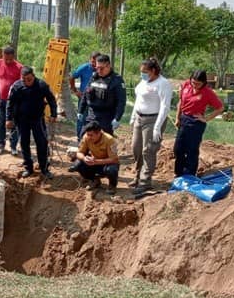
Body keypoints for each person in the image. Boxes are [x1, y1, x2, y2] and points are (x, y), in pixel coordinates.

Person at [129, 58, 172, 194]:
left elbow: (165, 107)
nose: (142, 74)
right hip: (139, 117)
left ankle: (145, 181)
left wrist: (157, 127)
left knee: (148, 150)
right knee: (136, 148)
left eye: (145, 72)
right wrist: (133, 115)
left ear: (153, 71)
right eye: (141, 72)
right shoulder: (144, 81)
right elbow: (138, 99)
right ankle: (138, 175)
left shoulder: (163, 84)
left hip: (153, 119)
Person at [6, 66, 57, 179]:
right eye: (24, 80)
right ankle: (28, 168)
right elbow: (10, 103)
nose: (27, 82)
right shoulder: (16, 86)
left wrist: (54, 114)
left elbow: (51, 99)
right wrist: (8, 119)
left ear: (33, 76)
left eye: (29, 79)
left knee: (42, 143)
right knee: (24, 143)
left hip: (37, 119)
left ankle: (44, 168)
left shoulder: (42, 85)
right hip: (21, 120)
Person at [173, 70, 224, 177]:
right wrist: (177, 118)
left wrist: (206, 118)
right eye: (193, 82)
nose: (195, 85)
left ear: (204, 82)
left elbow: (220, 108)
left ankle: (189, 174)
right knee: (178, 148)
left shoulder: (208, 92)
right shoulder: (186, 85)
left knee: (192, 150)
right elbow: (180, 102)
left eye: (198, 84)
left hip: (196, 123)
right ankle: (179, 173)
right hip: (184, 119)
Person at [78, 54, 126, 136]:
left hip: (106, 117)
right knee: (83, 139)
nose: (99, 71)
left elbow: (121, 102)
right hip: (91, 115)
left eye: (101, 68)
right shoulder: (94, 77)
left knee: (103, 144)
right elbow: (86, 94)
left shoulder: (116, 80)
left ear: (108, 66)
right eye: (97, 68)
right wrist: (80, 111)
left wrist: (117, 118)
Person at [0, 45, 23, 156]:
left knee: (14, 122)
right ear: (3, 55)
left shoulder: (19, 67)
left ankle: (13, 146)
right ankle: (0, 145)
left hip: (13, 101)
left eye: (10, 59)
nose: (7, 61)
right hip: (0, 100)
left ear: (14, 56)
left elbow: (23, 83)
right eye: (6, 58)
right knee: (1, 122)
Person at [71, 120, 120, 195]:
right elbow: (79, 153)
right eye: (88, 134)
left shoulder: (109, 140)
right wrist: (84, 158)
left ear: (99, 133)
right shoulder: (86, 137)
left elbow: (114, 159)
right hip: (94, 162)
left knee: (112, 169)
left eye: (91, 135)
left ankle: (112, 185)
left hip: (107, 164)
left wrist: (96, 161)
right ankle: (94, 180)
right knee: (78, 164)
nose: (89, 137)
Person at [70, 51, 100, 140]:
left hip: (98, 99)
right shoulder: (84, 68)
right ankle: (80, 138)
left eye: (96, 62)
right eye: (92, 61)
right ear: (90, 60)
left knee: (96, 119)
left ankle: (94, 138)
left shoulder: (101, 69)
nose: (94, 64)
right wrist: (75, 90)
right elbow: (72, 77)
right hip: (84, 98)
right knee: (81, 118)